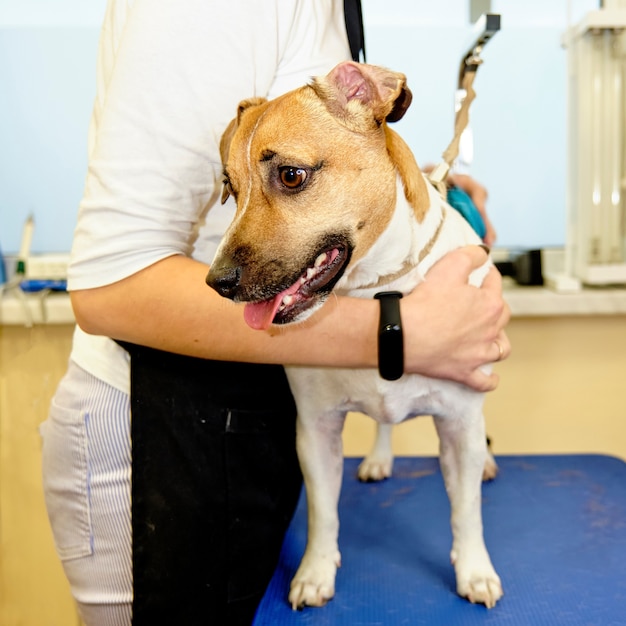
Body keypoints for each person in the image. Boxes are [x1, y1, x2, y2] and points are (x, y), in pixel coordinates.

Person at [40, 1, 510, 625]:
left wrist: (407, 193)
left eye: (289, 178)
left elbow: (337, 153)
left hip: (247, 425)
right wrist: (403, 334)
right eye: (270, 181)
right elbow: (107, 285)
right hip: (154, 435)